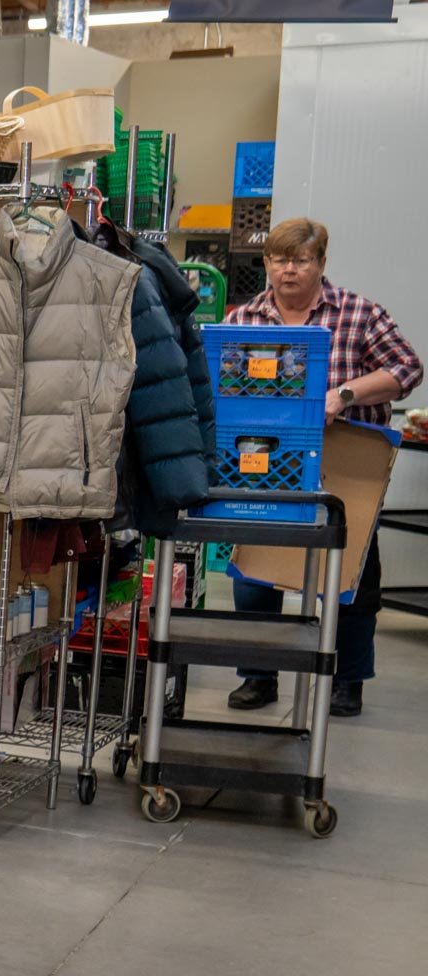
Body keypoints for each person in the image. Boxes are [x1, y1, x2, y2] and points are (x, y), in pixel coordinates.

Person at [224, 218, 421, 717]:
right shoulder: (245, 320)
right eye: (279, 260)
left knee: (352, 575)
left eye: (301, 260)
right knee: (254, 573)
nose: (289, 270)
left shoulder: (359, 313)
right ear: (266, 263)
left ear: (321, 264)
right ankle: (259, 676)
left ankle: (347, 681)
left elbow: (407, 369)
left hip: (345, 463)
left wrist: (344, 394)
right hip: (266, 462)